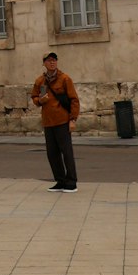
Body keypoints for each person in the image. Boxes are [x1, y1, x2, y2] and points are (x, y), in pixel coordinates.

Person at [31, 52, 80, 191]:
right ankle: (60, 180)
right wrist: (40, 100)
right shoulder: (40, 81)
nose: (52, 62)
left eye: (54, 60)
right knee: (52, 154)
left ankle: (71, 181)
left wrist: (72, 119)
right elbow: (34, 97)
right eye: (49, 60)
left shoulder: (65, 79)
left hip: (62, 121)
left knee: (67, 152)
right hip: (48, 122)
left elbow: (74, 100)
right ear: (44, 63)